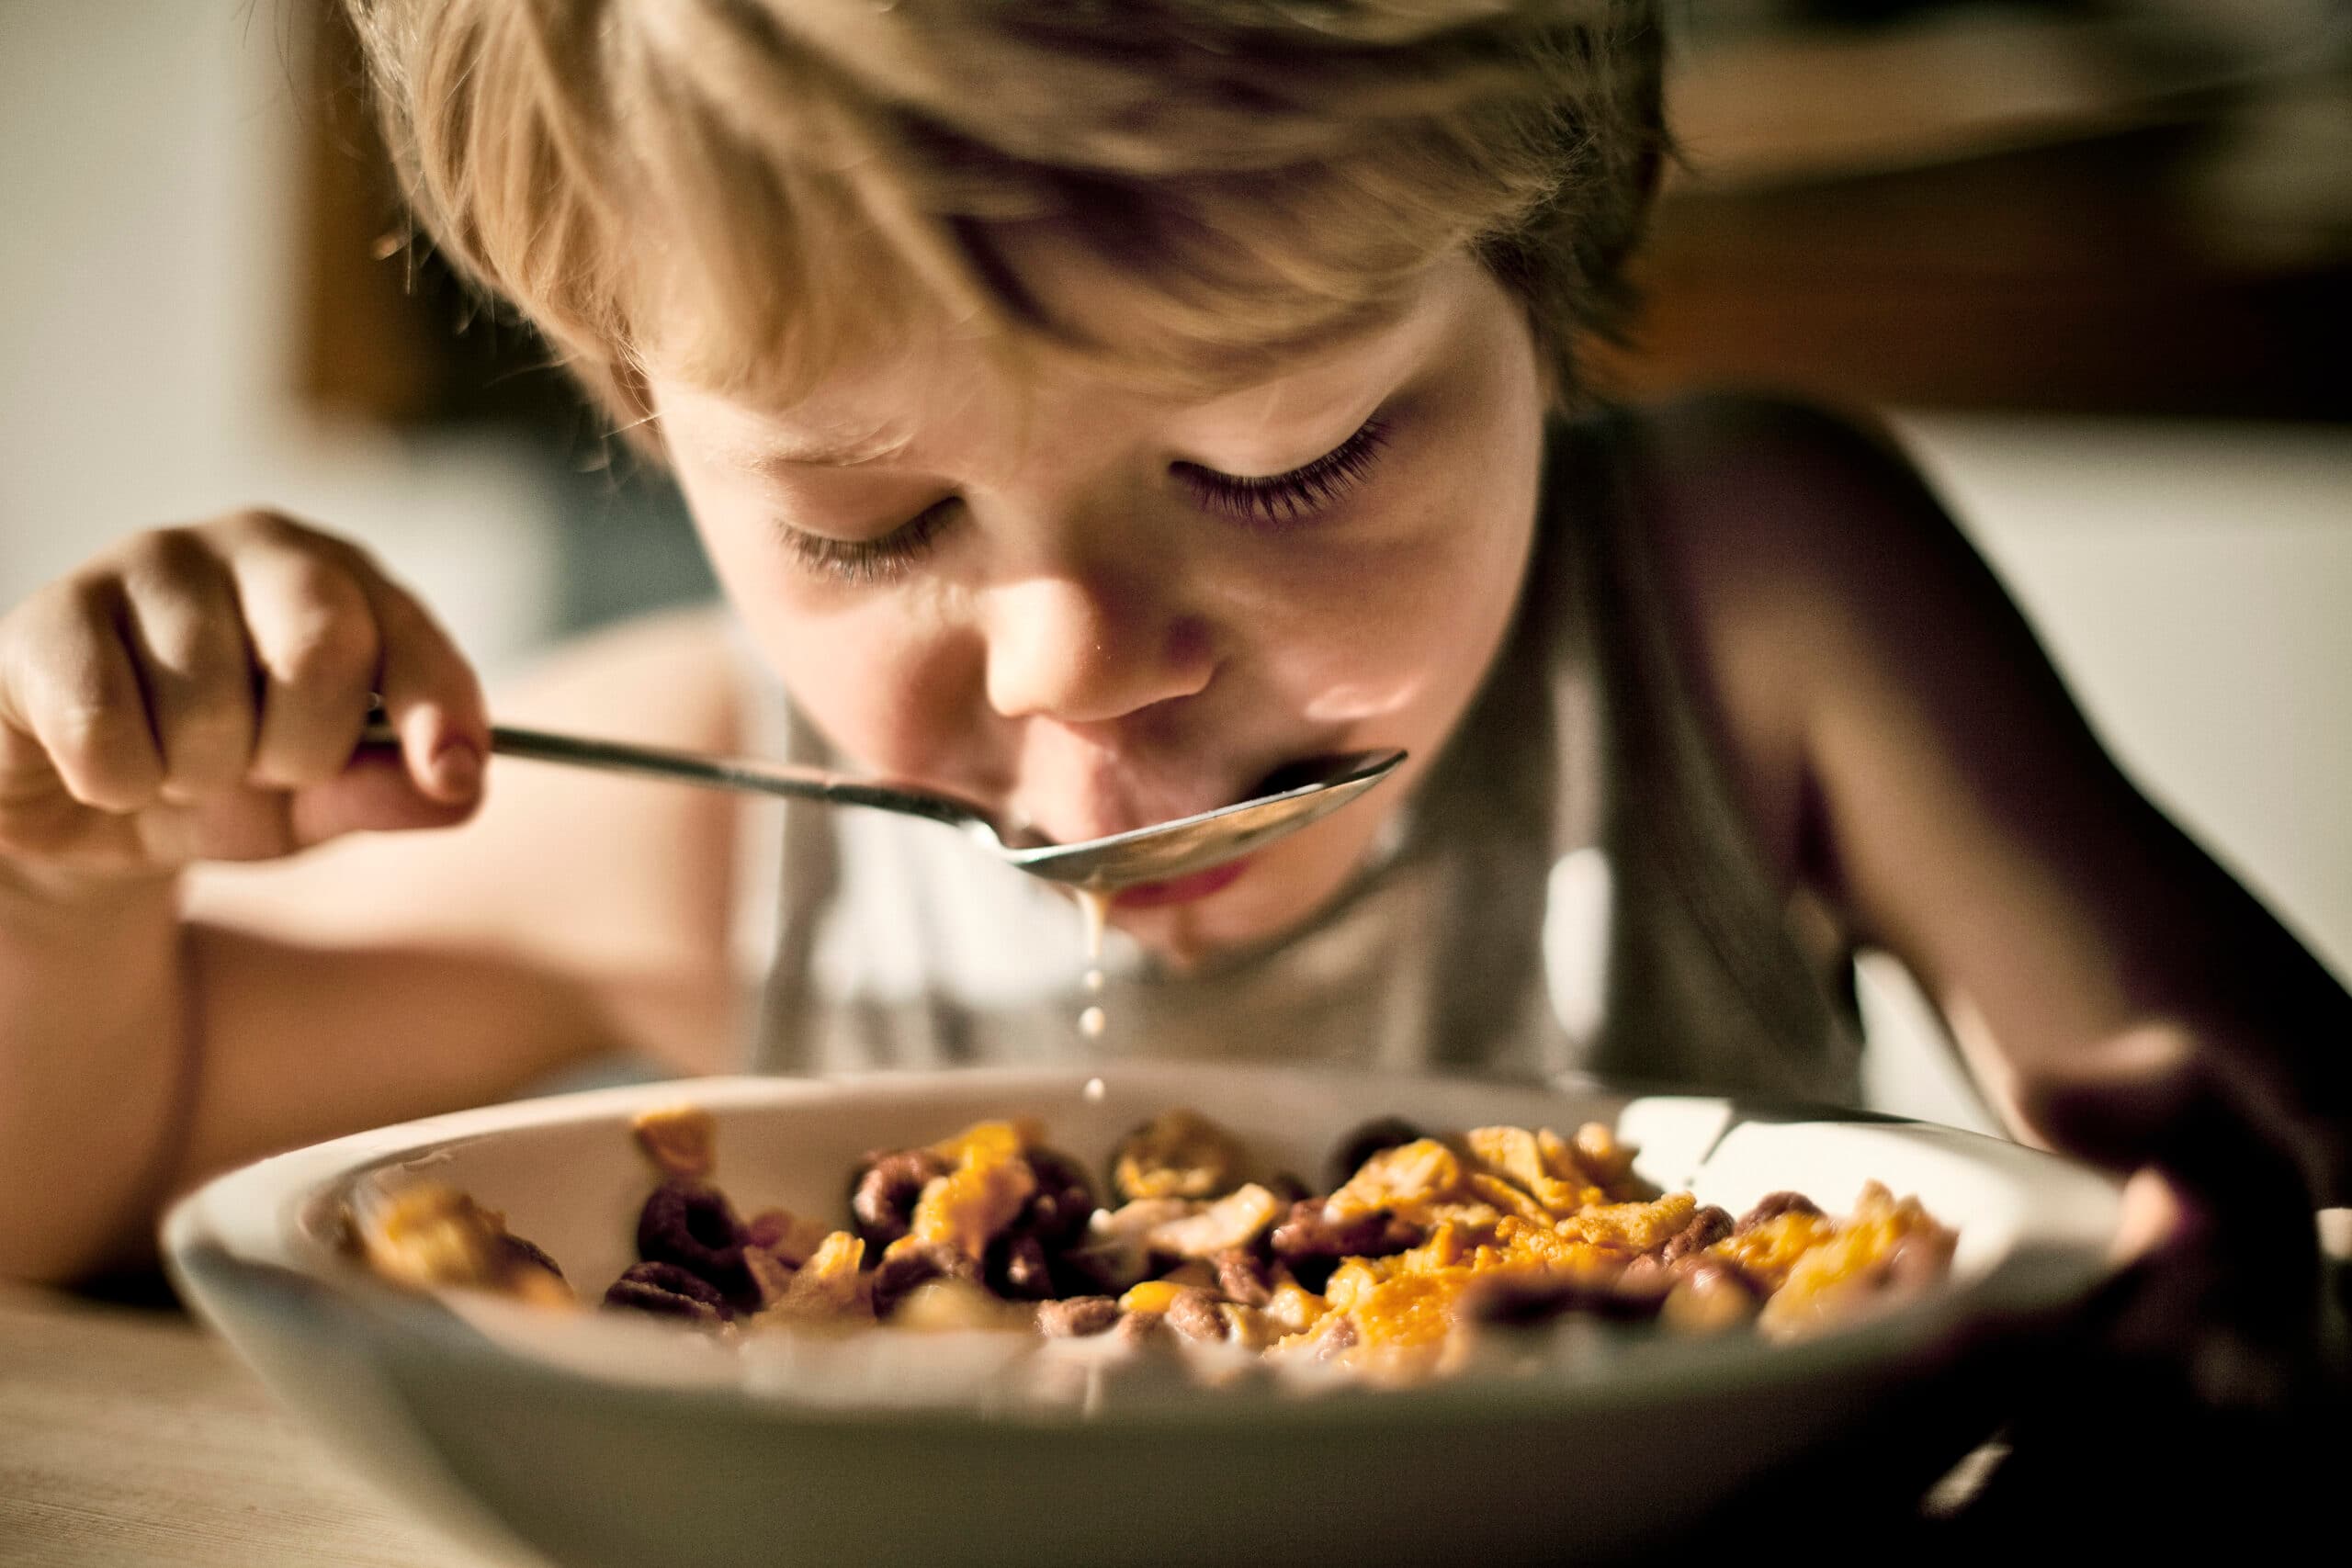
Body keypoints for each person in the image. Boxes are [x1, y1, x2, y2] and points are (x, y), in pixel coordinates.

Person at [0, 0, 2340, 1431]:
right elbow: (76, 1176)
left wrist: (2202, 1243)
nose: (1071, 662)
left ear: (1541, 282)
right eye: (866, 515)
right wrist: (65, 874)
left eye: (1283, 458)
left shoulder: (1748, 610)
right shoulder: (712, 813)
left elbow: (2254, 1158)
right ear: (639, 405)